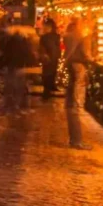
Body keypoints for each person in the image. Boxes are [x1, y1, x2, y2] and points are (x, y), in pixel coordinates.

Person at [64, 20, 92, 150]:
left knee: (71, 105)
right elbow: (87, 55)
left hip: (72, 68)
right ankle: (77, 140)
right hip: (79, 68)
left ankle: (74, 138)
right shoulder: (82, 38)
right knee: (77, 105)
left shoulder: (68, 37)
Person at [2, 25, 35, 115]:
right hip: (20, 66)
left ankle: (9, 106)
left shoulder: (9, 40)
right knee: (19, 87)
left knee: (10, 87)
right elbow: (27, 53)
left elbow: (5, 53)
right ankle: (17, 105)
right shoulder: (24, 41)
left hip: (10, 66)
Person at [39, 18, 62, 98]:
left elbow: (57, 46)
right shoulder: (46, 37)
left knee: (51, 73)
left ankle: (49, 88)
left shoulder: (53, 36)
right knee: (48, 73)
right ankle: (47, 90)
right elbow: (42, 47)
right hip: (49, 57)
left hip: (52, 56)